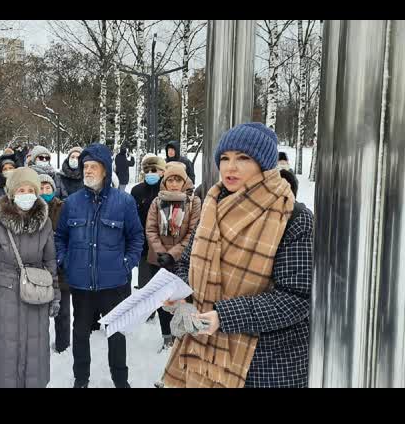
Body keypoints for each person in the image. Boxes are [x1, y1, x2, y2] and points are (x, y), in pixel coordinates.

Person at [161, 122, 313, 388]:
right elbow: (187, 262)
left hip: (266, 365)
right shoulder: (212, 207)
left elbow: (296, 299)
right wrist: (181, 292)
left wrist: (224, 315)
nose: (230, 167)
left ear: (264, 164)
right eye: (225, 158)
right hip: (202, 356)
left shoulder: (294, 218)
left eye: (243, 158)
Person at [54, 143, 143, 388]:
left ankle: (120, 380)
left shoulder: (123, 202)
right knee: (80, 334)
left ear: (105, 170)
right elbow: (60, 237)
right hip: (81, 284)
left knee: (116, 335)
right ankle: (81, 379)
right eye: (85, 167)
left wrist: (127, 264)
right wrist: (65, 260)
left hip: (114, 283)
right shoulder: (71, 203)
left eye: (93, 166)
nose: (88, 171)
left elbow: (136, 237)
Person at [0, 167, 59, 388]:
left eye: (31, 189)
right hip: (5, 297)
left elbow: (50, 262)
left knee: (35, 350)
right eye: (21, 189)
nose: (26, 194)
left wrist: (56, 295)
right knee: (6, 351)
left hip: (36, 296)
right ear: (12, 193)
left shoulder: (45, 223)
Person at [144, 161, 201, 351]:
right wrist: (162, 253)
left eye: (178, 180)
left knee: (181, 300)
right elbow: (151, 228)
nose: (174, 184)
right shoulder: (157, 201)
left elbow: (193, 232)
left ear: (184, 182)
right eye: (170, 180)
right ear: (165, 182)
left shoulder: (193, 202)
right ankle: (166, 337)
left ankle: (181, 338)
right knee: (162, 301)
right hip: (158, 260)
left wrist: (173, 255)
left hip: (182, 261)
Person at [37, 173, 69, 353]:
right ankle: (40, 345)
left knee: (63, 310)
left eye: (47, 188)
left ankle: (63, 345)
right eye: (40, 188)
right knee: (39, 311)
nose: (44, 191)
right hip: (38, 267)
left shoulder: (63, 207)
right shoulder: (32, 209)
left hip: (61, 266)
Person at [130, 155, 167, 292]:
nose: (150, 173)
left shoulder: (168, 190)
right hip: (144, 246)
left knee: (162, 288)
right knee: (145, 287)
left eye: (154, 170)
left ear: (162, 171)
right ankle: (148, 313)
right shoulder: (136, 191)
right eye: (147, 171)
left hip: (164, 246)